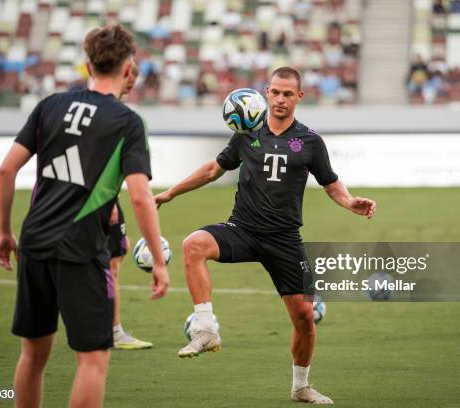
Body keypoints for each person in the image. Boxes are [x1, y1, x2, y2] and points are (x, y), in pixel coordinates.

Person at [155, 66, 376, 405]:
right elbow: (214, 169)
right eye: (275, 92)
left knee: (304, 318)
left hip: (285, 239)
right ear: (266, 92)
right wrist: (171, 192)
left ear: (299, 97)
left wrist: (349, 201)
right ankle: (206, 330)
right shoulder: (246, 130)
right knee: (193, 244)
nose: (280, 99)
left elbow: (330, 182)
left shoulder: (310, 140)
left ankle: (301, 386)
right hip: (242, 229)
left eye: (288, 93)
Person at [0, 24, 169, 408]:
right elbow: (139, 196)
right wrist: (158, 259)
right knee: (92, 360)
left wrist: (4, 232)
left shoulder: (49, 106)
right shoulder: (127, 122)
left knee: (33, 354)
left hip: (34, 243)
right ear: (128, 70)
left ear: (88, 65)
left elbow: (6, 171)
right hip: (81, 251)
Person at [110, 61, 155, 350]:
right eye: (130, 79)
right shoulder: (126, 120)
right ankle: (112, 332)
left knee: (116, 255)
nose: (131, 85)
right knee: (110, 264)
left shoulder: (64, 108)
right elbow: (140, 193)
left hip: (92, 200)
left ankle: (110, 329)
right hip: (101, 203)